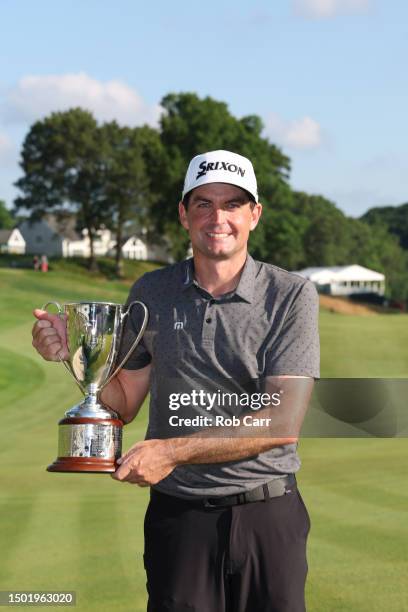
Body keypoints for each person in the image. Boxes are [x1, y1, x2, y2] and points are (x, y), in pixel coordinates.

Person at [32, 150, 319, 612]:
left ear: (254, 215)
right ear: (184, 214)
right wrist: (78, 358)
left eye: (232, 204)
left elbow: (282, 420)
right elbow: (122, 401)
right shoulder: (152, 291)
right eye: (203, 203)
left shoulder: (290, 294)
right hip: (179, 517)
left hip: (267, 514)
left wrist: (171, 450)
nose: (217, 217)